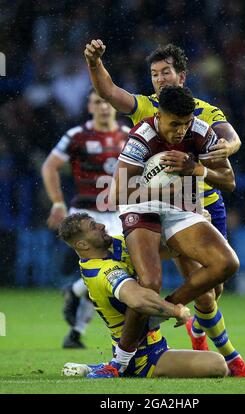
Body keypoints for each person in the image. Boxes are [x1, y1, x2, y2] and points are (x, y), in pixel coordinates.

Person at [84, 40, 245, 377]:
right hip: (144, 203)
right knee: (149, 282)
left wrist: (197, 168)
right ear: (159, 115)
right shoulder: (142, 128)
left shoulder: (202, 119)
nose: (179, 132)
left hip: (191, 205)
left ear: (182, 77)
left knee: (221, 274)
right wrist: (93, 63)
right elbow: (119, 192)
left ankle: (171, 306)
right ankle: (118, 364)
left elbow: (230, 170)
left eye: (166, 72)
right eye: (154, 74)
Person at [59, 213, 228, 379]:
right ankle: (120, 366)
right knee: (218, 365)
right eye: (93, 227)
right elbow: (137, 299)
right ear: (82, 244)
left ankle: (109, 366)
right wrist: (175, 310)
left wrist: (192, 229)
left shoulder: (116, 244)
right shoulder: (101, 272)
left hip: (150, 343)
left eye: (96, 223)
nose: (101, 226)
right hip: (141, 356)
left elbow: (166, 248)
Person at [41, 89, 128, 349]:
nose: (103, 107)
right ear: (90, 107)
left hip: (118, 214)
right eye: (96, 102)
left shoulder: (128, 136)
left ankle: (74, 297)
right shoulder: (77, 135)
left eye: (106, 101)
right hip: (86, 216)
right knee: (102, 274)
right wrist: (57, 202)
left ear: (114, 105)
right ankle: (77, 327)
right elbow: (49, 166)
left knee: (109, 273)